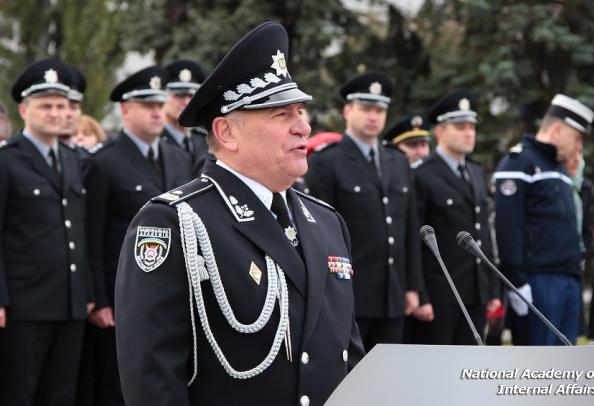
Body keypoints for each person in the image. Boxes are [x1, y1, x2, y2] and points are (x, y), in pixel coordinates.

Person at [115, 22, 364, 406]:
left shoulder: (327, 221)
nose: (304, 127)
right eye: (282, 115)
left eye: (301, 111)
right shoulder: (175, 222)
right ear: (227, 132)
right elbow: (152, 378)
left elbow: (347, 357)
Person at [83, 66, 192, 405]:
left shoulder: (179, 158)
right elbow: (93, 234)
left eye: (160, 104)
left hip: (176, 289)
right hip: (122, 294)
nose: (158, 112)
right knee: (121, 384)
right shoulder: (105, 161)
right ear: (125, 109)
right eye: (148, 105)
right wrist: (99, 299)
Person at [306, 71, 423, 352]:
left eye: (380, 109)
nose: (374, 116)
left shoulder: (397, 161)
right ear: (348, 110)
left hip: (392, 293)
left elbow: (409, 227)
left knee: (388, 381)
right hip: (350, 292)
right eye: (366, 108)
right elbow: (319, 233)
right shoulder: (327, 162)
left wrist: (412, 287)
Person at [0, 58, 93, 405]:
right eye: (45, 106)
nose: (55, 113)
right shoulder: (7, 161)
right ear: (24, 110)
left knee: (60, 393)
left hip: (69, 303)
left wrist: (86, 290)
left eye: (61, 106)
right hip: (25, 305)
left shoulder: (71, 160)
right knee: (19, 392)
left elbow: (78, 231)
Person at [493, 94, 594, 345]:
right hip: (538, 281)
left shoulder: (559, 169)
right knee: (538, 371)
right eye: (577, 138)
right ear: (558, 130)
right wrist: (517, 283)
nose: (578, 147)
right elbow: (508, 228)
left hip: (567, 277)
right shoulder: (520, 163)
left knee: (564, 370)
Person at [413, 89, 501, 345]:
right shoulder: (423, 175)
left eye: (472, 126)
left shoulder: (475, 172)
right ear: (440, 132)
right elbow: (415, 240)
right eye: (460, 126)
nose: (469, 132)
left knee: (470, 370)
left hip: (475, 292)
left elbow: (484, 233)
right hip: (441, 294)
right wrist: (421, 295)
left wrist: (492, 288)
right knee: (438, 374)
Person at [161, 59, 213, 168]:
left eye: (191, 96)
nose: (186, 102)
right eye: (179, 95)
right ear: (163, 96)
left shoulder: (204, 139)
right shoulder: (153, 141)